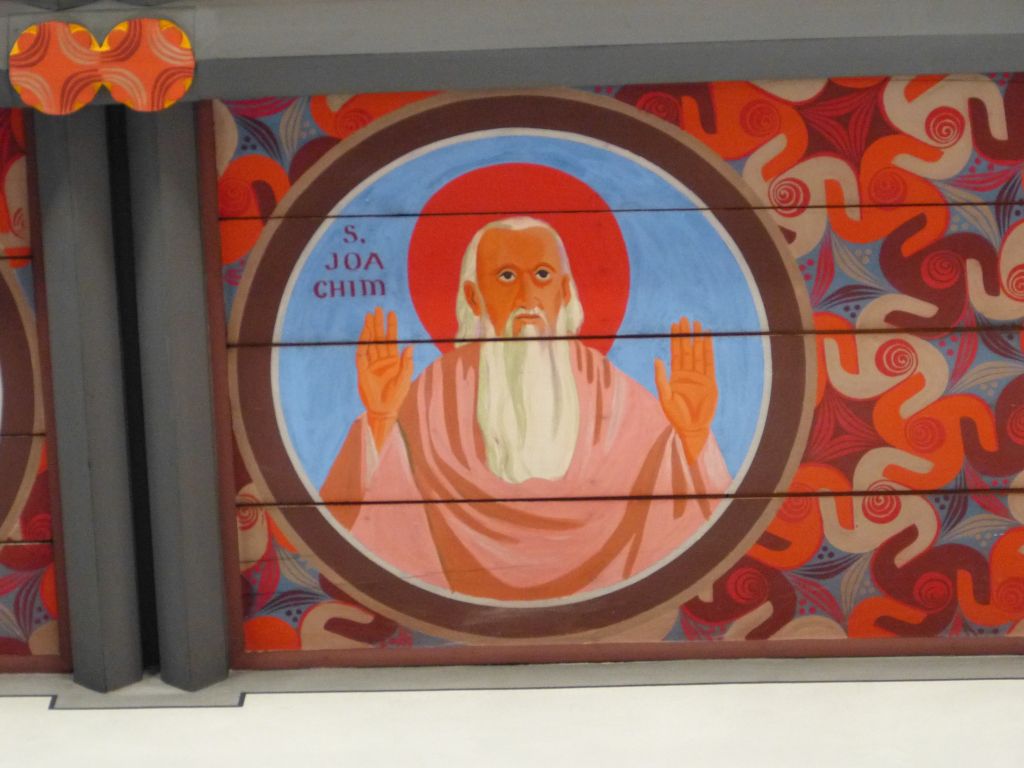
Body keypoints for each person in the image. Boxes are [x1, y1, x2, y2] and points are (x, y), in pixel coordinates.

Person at [320, 217, 730, 600]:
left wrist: (693, 436)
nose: (527, 297)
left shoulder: (617, 396)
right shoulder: (429, 397)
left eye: (543, 276)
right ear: (473, 297)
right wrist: (380, 419)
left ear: (565, 293)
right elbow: (351, 531)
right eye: (506, 276)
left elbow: (697, 526)